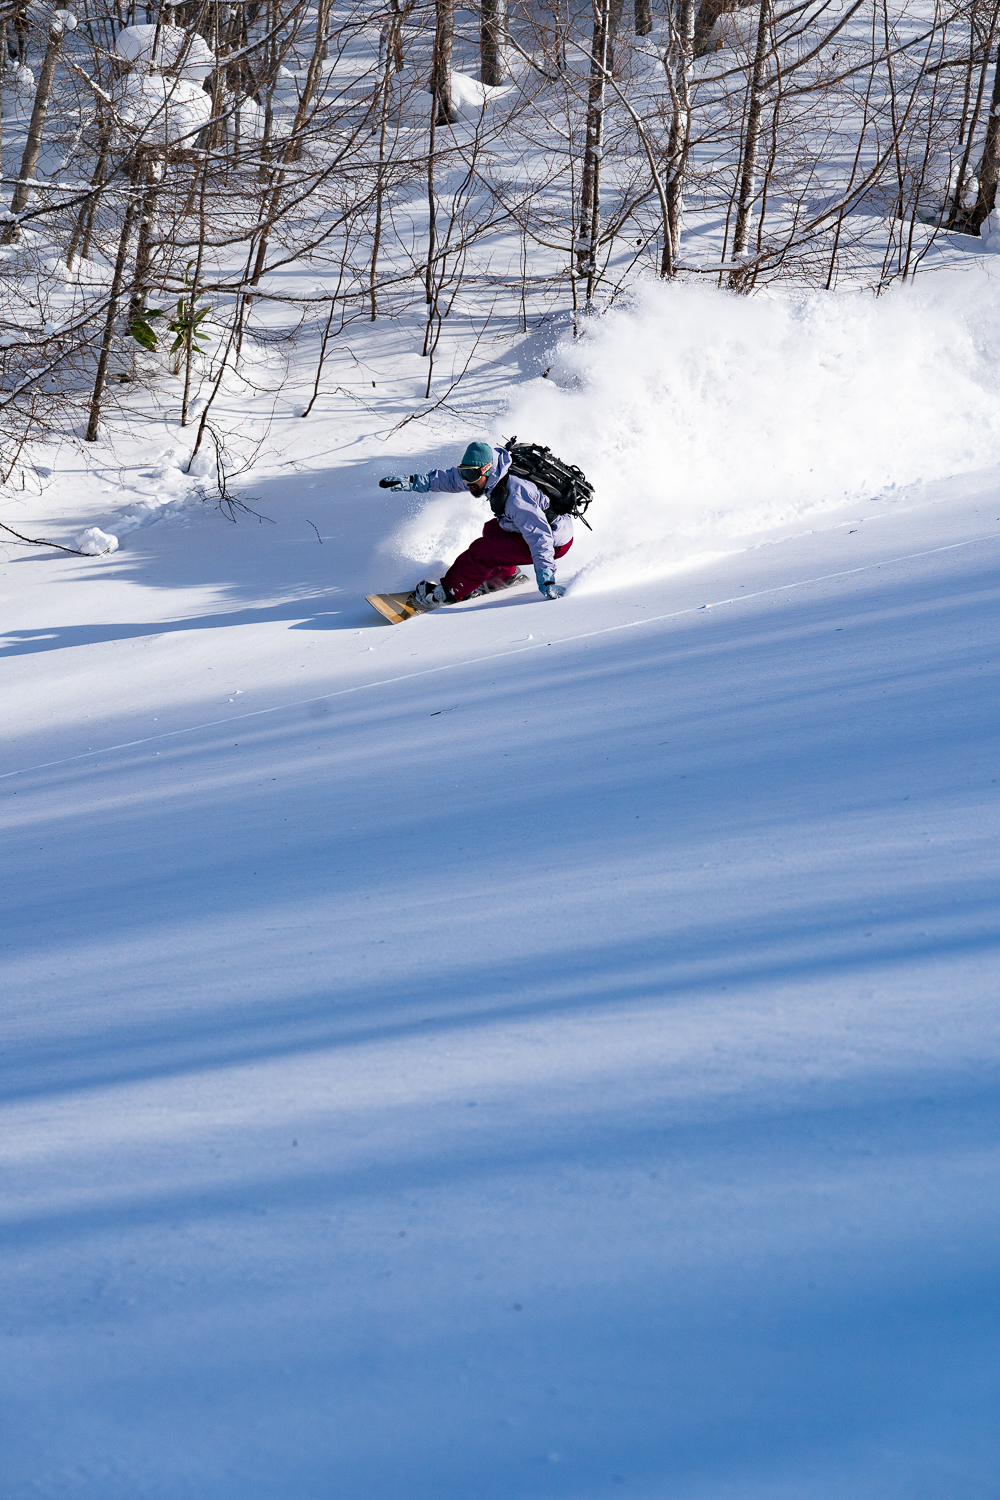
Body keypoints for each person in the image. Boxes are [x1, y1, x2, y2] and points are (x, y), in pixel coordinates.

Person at [379, 441, 572, 608]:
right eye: (464, 473)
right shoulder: (486, 475)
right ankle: (501, 578)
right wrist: (413, 482)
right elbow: (451, 479)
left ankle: (450, 593)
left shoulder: (516, 496)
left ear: (487, 469)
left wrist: (547, 580)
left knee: (481, 551)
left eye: (471, 476)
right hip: (538, 531)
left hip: (554, 542)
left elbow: (540, 537)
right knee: (492, 529)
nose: (466, 481)